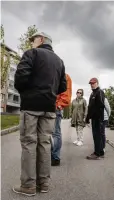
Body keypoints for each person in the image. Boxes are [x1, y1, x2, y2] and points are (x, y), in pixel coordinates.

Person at [13, 32, 67, 196]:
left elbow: (20, 77)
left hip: (31, 105)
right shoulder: (59, 61)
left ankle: (28, 186)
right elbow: (62, 86)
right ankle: (43, 184)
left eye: (33, 39)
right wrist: (49, 93)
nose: (32, 43)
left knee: (29, 143)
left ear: (41, 40)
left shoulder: (32, 53)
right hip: (49, 107)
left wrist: (26, 92)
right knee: (45, 144)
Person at [51, 73, 72, 166]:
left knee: (56, 132)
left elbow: (66, 94)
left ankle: (55, 157)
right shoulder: (49, 72)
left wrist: (59, 105)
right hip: (45, 106)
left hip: (55, 107)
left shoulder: (65, 76)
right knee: (46, 133)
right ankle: (48, 154)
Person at [85, 78, 105, 160]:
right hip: (94, 118)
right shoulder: (92, 94)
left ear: (97, 83)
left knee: (97, 136)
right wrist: (87, 118)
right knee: (96, 136)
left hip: (98, 118)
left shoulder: (99, 92)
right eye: (90, 83)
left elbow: (101, 106)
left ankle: (97, 153)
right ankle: (99, 152)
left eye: (93, 83)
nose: (92, 85)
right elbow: (90, 107)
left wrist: (100, 118)